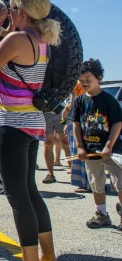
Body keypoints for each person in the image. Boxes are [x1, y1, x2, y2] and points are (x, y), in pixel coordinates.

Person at [0, 0, 60, 261]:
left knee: (17, 197)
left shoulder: (17, 41)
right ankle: (47, 255)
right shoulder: (41, 41)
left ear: (21, 10)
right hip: (31, 124)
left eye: (13, 8)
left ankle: (31, 258)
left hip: (10, 123)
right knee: (30, 192)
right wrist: (8, 29)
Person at [70, 59, 122, 229]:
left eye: (88, 79)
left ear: (99, 78)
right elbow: (76, 124)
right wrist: (79, 146)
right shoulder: (79, 101)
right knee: (96, 183)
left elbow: (117, 124)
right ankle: (102, 214)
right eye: (81, 80)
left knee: (120, 182)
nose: (84, 83)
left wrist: (109, 145)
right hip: (90, 151)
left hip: (112, 151)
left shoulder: (109, 100)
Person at [64, 81, 91, 193]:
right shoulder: (83, 84)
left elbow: (71, 105)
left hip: (77, 122)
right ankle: (89, 183)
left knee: (78, 152)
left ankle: (85, 184)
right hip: (82, 121)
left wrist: (66, 116)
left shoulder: (76, 85)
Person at [42, 111, 69, 184]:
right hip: (46, 112)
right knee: (48, 143)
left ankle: (74, 173)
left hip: (62, 111)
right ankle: (50, 174)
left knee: (66, 143)